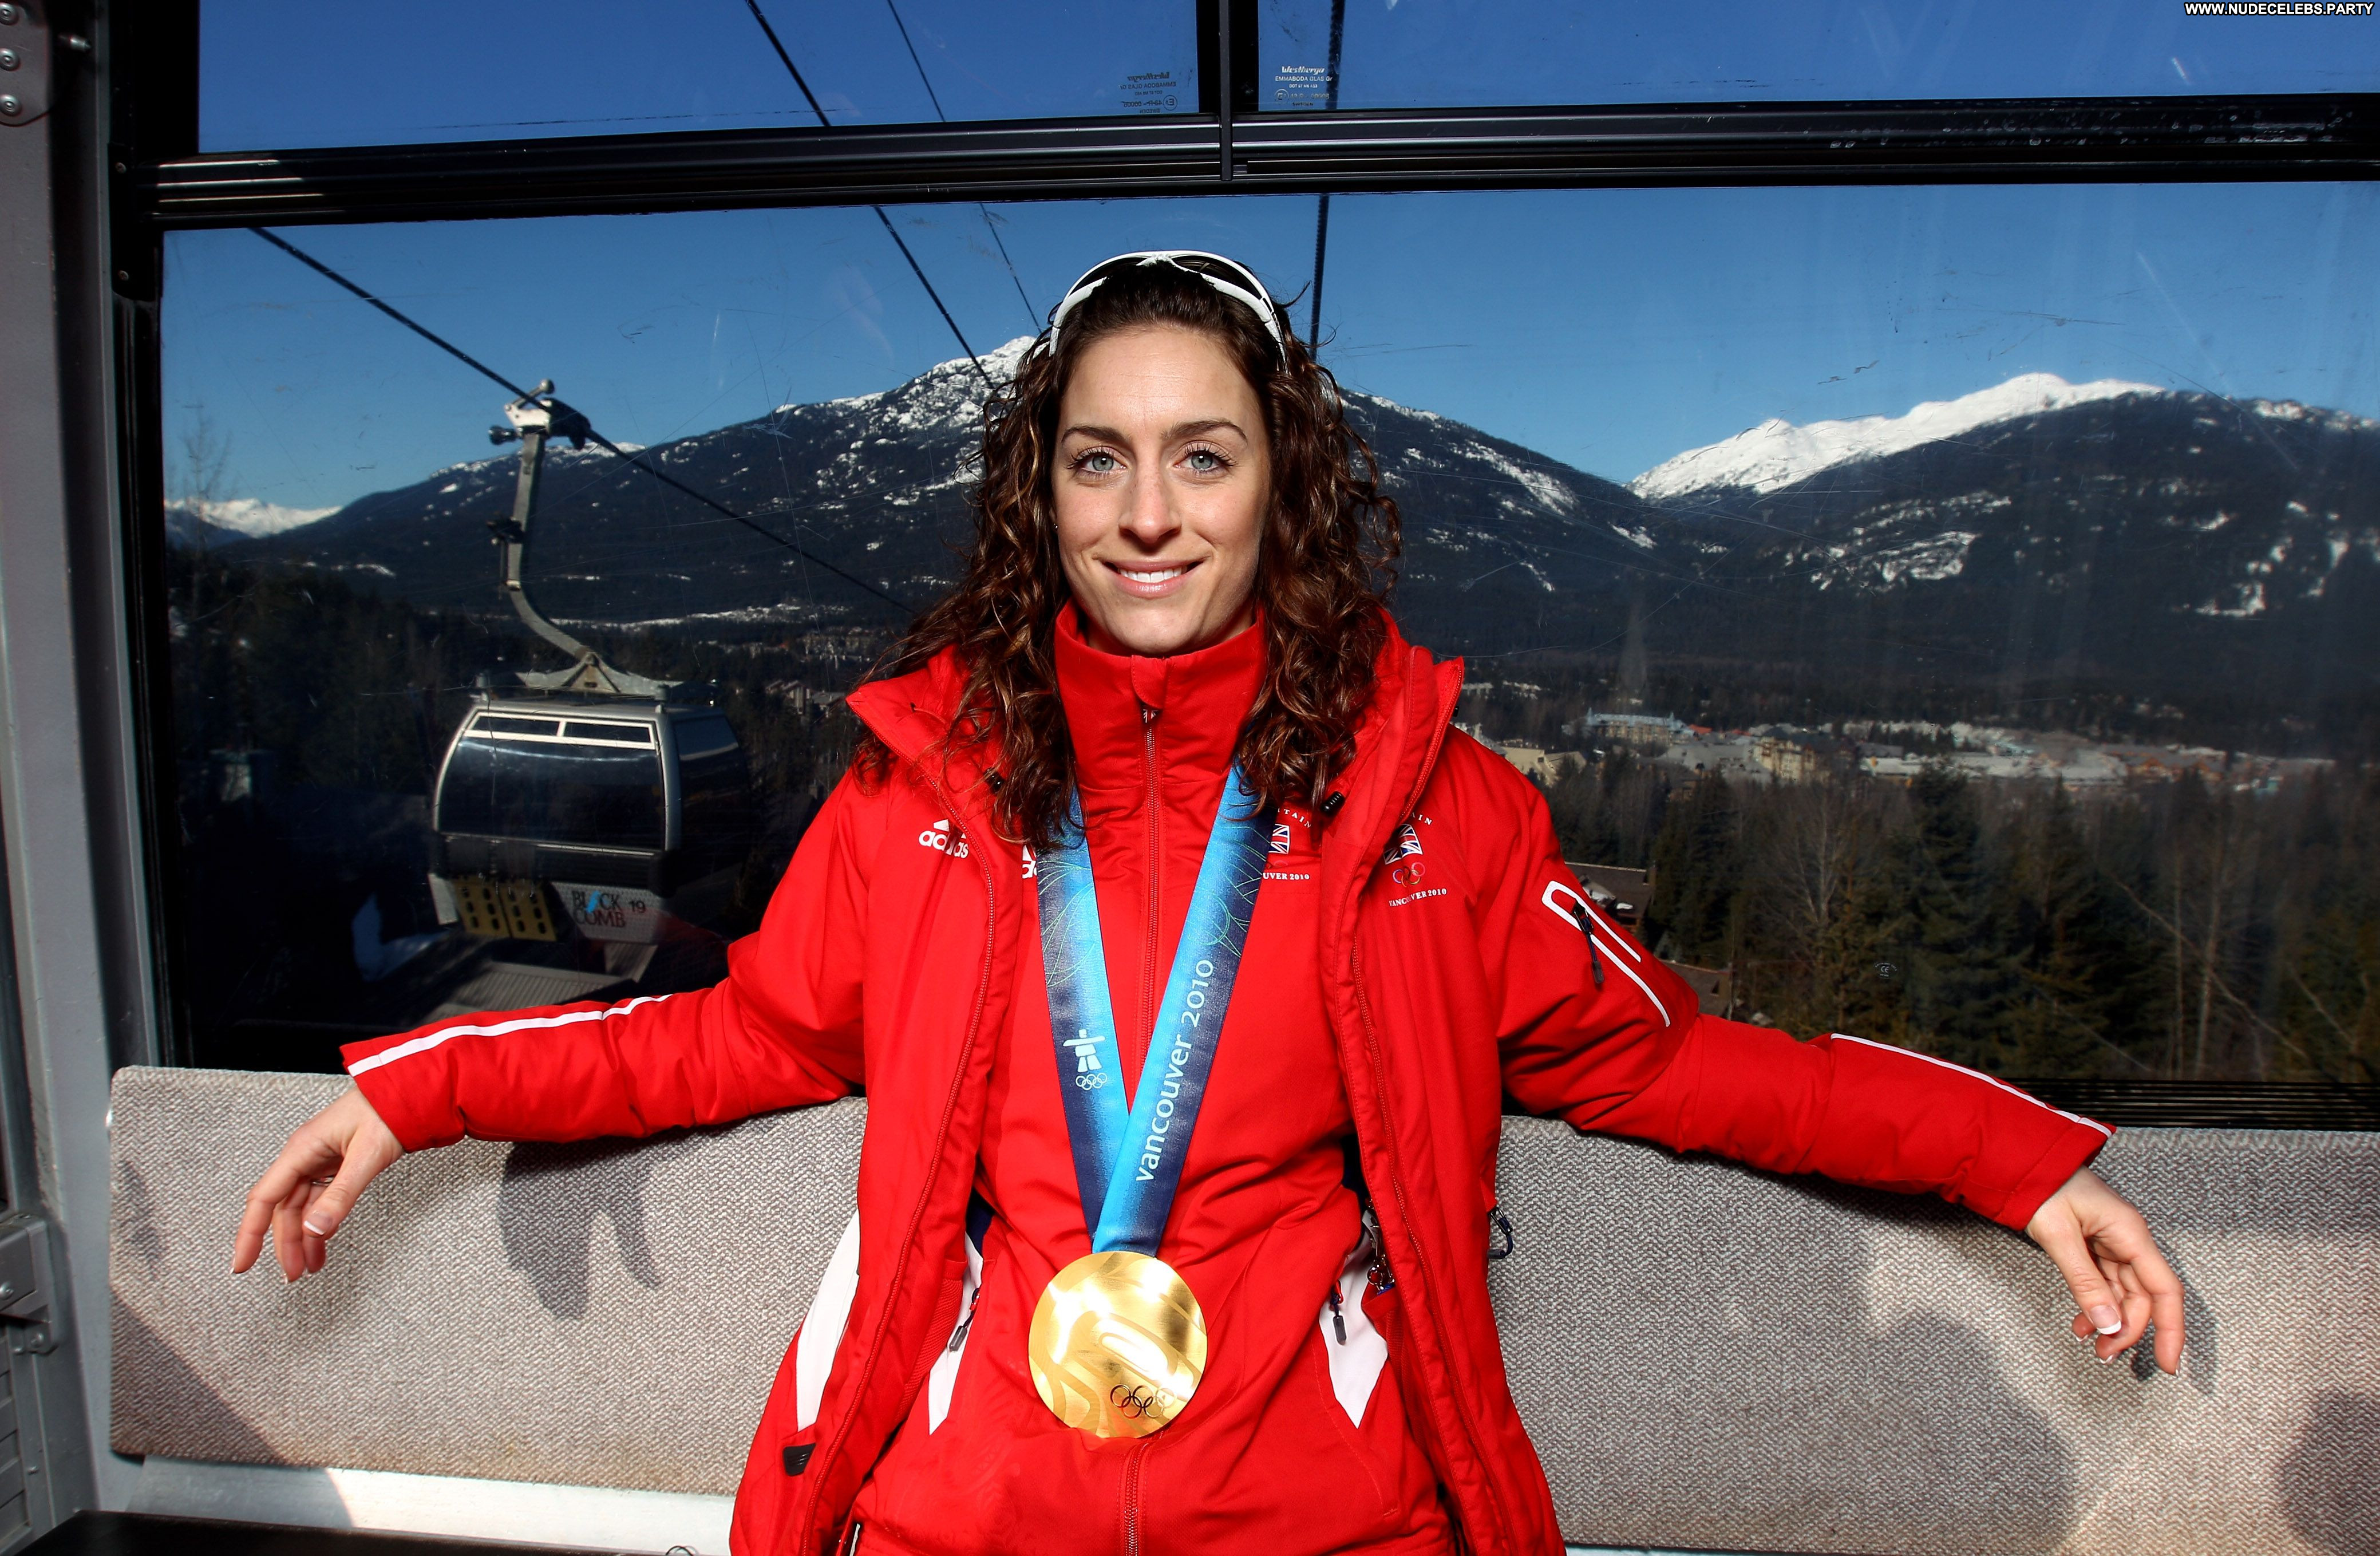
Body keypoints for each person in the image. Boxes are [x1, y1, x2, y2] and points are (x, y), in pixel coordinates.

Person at [234, 251, 2187, 1556]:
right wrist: (426, 1090)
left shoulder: (1437, 821)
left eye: (1202, 456)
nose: (1148, 513)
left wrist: (2013, 1163)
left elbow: (1689, 1065)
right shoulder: (925, 799)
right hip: (961, 1520)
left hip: (1327, 1522)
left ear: (1282, 487)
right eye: (1099, 461)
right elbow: (739, 1033)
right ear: (1043, 494)